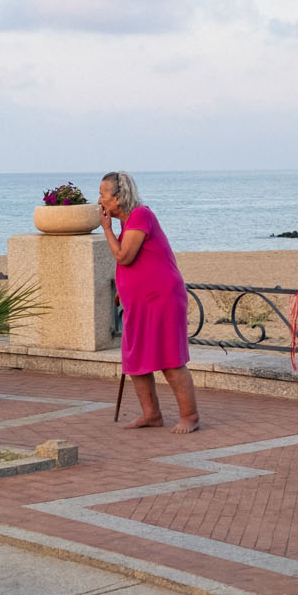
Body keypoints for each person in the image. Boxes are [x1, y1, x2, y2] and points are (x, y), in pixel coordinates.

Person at [99, 170, 199, 433]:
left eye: (103, 195)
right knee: (135, 358)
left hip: (161, 298)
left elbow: (124, 256)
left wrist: (106, 230)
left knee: (170, 358)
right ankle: (151, 414)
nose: (100, 201)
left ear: (119, 197)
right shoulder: (127, 223)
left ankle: (190, 416)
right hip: (140, 302)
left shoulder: (141, 215)